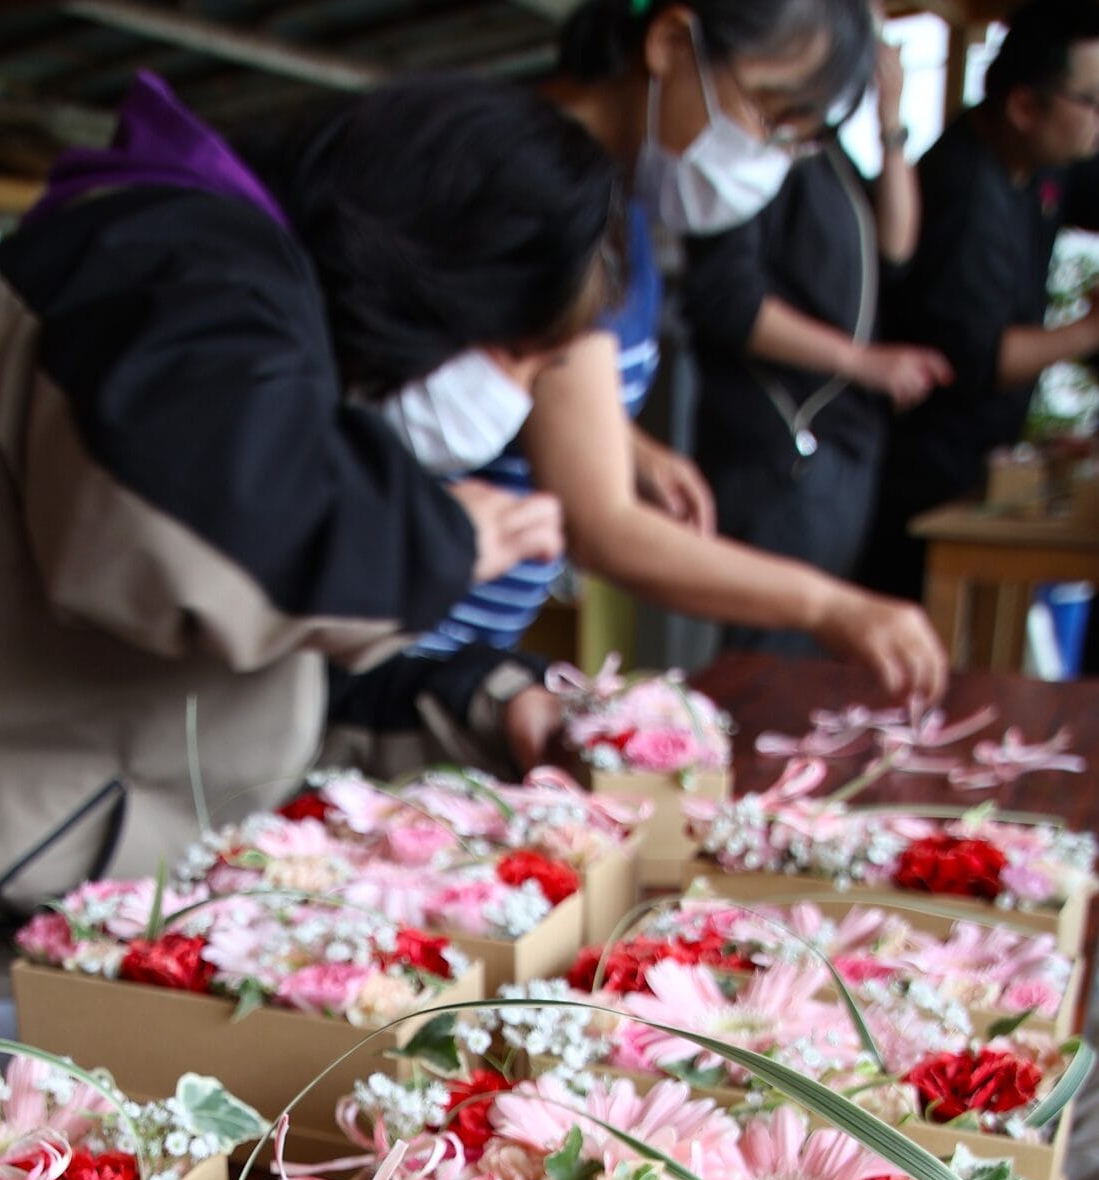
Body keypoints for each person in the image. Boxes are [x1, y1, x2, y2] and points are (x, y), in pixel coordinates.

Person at [0, 72, 621, 1075]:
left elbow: (256, 666)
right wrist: (441, 537)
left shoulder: (232, 309)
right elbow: (204, 542)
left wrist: (481, 701)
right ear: (445, 281)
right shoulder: (171, 272)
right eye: (520, 360)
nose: (517, 408)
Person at [325, 0, 947, 777]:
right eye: (767, 113)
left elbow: (540, 384)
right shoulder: (536, 191)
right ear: (669, 42)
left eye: (795, 137)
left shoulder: (621, 206)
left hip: (455, 663)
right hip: (382, 666)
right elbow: (602, 526)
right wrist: (828, 605)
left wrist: (626, 443)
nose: (768, 157)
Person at [682, 25, 953, 648]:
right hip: (782, 450)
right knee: (773, 653)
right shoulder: (755, 157)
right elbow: (727, 300)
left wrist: (891, 123)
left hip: (838, 449)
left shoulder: (825, 152)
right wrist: (862, 362)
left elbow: (897, 246)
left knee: (814, 652)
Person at [863, 0, 1099, 599]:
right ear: (1025, 106)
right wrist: (1089, 330)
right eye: (1091, 101)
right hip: (926, 482)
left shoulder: (1041, 163)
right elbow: (982, 359)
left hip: (975, 461)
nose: (1097, 120)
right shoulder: (966, 193)